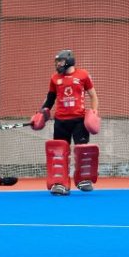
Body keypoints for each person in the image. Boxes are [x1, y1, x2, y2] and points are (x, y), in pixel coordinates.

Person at [30, 49, 99, 194]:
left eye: (60, 61)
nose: (58, 64)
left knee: (82, 151)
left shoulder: (83, 75)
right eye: (57, 62)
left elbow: (93, 96)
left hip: (79, 121)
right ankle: (60, 183)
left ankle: (82, 180)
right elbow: (50, 99)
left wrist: (93, 112)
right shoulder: (55, 78)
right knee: (59, 153)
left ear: (69, 61)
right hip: (61, 121)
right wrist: (41, 113)